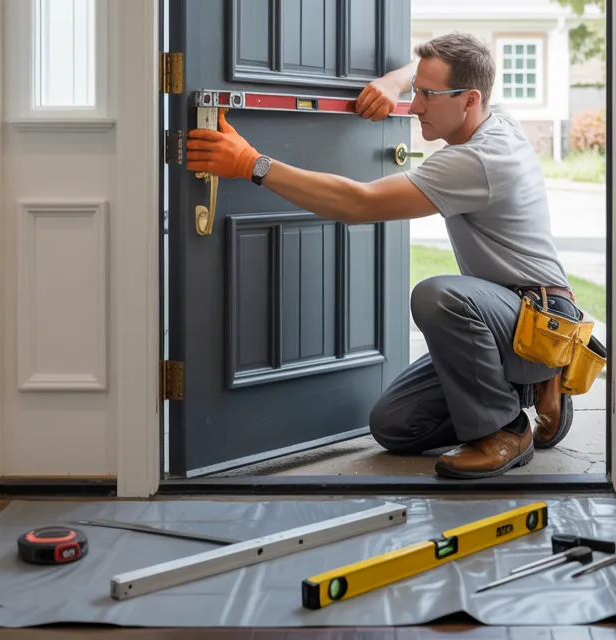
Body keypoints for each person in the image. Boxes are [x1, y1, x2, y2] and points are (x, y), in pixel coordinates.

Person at [186, 32, 587, 479]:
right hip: (509, 317)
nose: (414, 107)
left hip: (539, 317)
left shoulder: (479, 160)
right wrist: (396, 82)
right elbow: (435, 77)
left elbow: (359, 204)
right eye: (417, 90)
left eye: (427, 96)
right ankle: (530, 386)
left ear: (470, 99)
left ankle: (505, 430)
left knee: (439, 296)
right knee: (394, 425)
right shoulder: (497, 117)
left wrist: (251, 164)